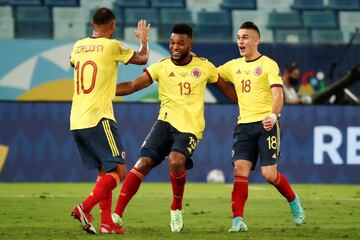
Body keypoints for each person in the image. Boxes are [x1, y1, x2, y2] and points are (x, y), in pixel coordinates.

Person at [111, 23, 237, 233]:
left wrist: (251, 104)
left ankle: (176, 209)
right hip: (164, 123)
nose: (175, 47)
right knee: (142, 163)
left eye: (180, 43)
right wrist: (105, 91)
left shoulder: (204, 67)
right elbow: (133, 85)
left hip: (190, 128)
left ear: (190, 44)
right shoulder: (162, 66)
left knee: (176, 160)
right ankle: (116, 215)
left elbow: (228, 92)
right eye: (172, 43)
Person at [217, 21, 305, 233]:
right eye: (238, 37)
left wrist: (273, 115)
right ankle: (237, 220)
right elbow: (211, 74)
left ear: (256, 40)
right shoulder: (232, 66)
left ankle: (293, 200)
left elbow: (278, 95)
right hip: (243, 126)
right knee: (240, 169)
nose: (241, 41)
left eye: (245, 37)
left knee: (269, 175)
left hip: (266, 125)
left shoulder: (268, 64)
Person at [69, 7, 150, 234]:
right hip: (99, 117)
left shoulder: (78, 46)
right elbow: (142, 58)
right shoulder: (113, 46)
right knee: (119, 171)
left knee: (105, 171)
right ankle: (84, 207)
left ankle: (107, 223)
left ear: (92, 24)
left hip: (77, 118)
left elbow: (74, 64)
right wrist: (143, 41)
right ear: (113, 26)